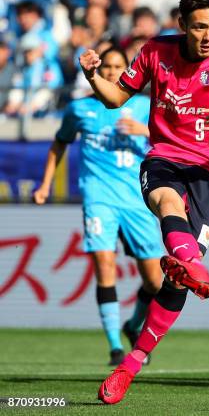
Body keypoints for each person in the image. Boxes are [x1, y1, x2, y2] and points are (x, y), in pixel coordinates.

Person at [81, 0, 209, 404]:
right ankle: (190, 262)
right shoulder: (155, 51)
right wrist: (93, 75)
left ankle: (130, 365)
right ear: (182, 24)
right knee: (167, 201)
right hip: (165, 159)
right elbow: (116, 99)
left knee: (177, 284)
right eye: (200, 26)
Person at [33, 47, 163, 366]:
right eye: (107, 66)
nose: (112, 72)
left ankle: (133, 325)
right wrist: (45, 183)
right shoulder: (80, 109)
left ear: (129, 70)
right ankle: (115, 347)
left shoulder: (144, 106)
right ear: (99, 70)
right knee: (105, 266)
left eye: (119, 67)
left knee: (155, 282)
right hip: (98, 198)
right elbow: (59, 144)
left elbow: (171, 140)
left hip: (137, 199)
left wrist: (145, 130)